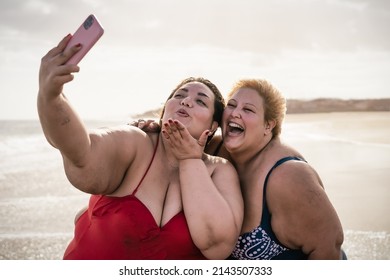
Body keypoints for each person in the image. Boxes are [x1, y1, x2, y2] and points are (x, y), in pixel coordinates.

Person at [37, 34, 243, 260]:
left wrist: (190, 159)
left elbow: (217, 246)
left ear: (213, 125)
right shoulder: (137, 142)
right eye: (179, 96)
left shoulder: (219, 170)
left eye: (201, 101)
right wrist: (52, 96)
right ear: (165, 111)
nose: (186, 101)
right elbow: (82, 152)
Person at [136, 78, 345, 260]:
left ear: (268, 126)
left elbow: (329, 248)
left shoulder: (289, 176)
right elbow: (182, 136)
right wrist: (154, 129)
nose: (235, 114)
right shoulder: (215, 147)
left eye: (248, 109)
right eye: (232, 105)